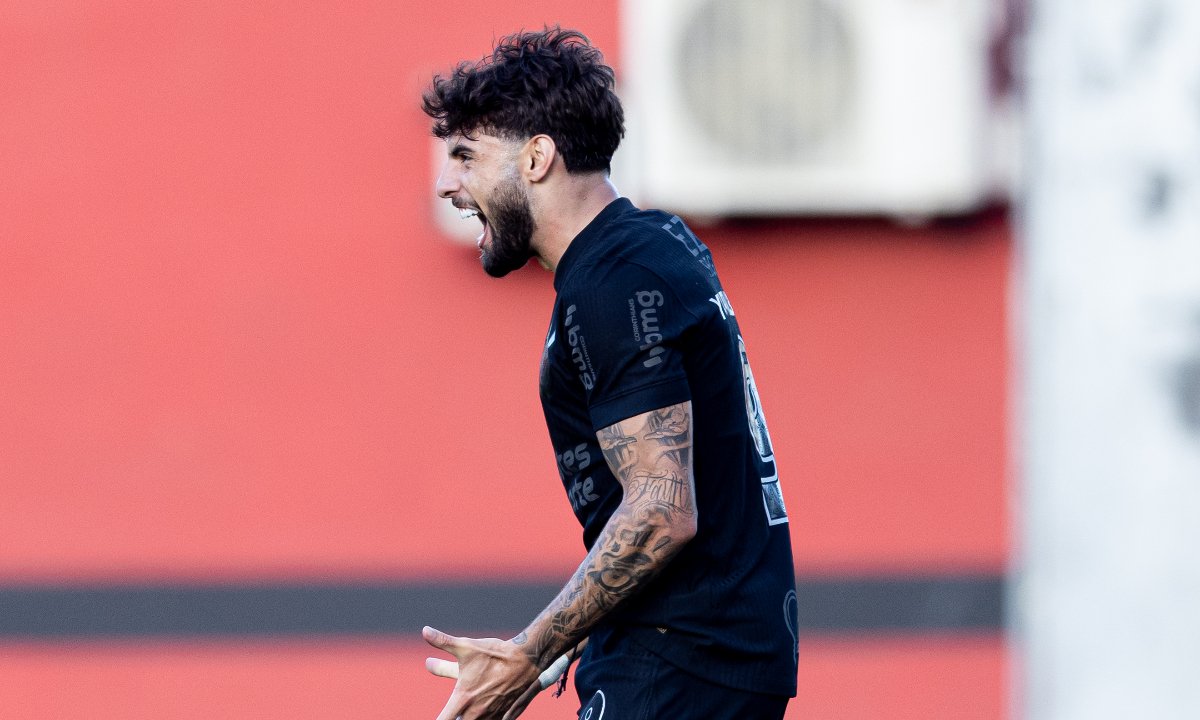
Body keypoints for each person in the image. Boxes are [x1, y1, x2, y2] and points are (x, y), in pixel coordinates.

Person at [420, 27, 798, 720]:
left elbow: (661, 511)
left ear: (537, 157)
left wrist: (530, 654)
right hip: (701, 660)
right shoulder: (650, 248)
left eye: (467, 156)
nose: (447, 182)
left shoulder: (614, 284)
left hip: (679, 666)